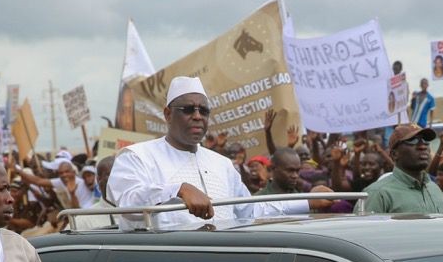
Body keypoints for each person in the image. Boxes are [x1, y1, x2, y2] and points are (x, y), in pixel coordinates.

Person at [107, 76, 253, 229]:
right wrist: (177, 190)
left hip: (226, 250)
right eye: (188, 110)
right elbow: (127, 204)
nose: (197, 116)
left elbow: (249, 210)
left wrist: (280, 204)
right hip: (168, 252)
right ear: (168, 114)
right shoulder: (137, 156)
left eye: (204, 111)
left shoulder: (222, 163)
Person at [365, 125, 443, 214]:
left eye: (425, 141)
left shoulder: (435, 189)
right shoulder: (378, 193)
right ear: (394, 154)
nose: (422, 146)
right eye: (412, 141)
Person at [255, 148, 332, 216]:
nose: (295, 175)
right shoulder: (258, 200)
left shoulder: (304, 199)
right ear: (273, 168)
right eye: (290, 170)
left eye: (297, 171)